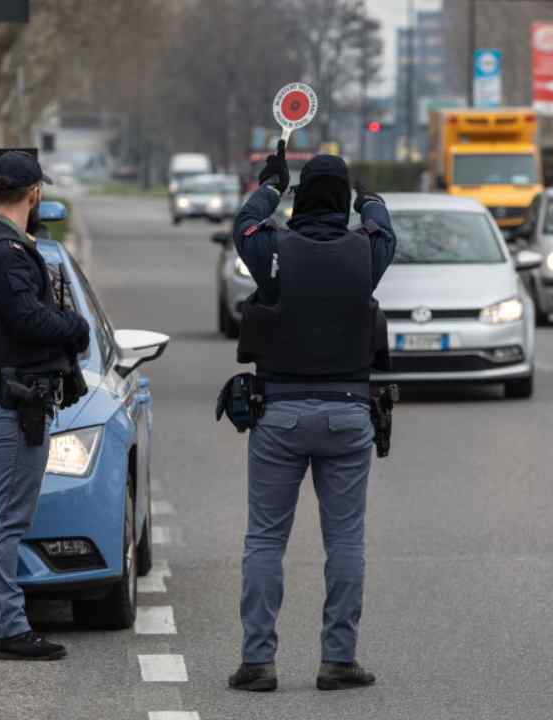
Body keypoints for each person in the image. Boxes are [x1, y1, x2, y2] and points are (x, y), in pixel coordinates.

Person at [227, 140, 396, 692]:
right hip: (349, 415)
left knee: (265, 541)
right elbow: (384, 229)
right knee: (345, 541)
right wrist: (369, 199)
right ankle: (337, 660)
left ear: (300, 203)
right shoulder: (364, 253)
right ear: (344, 201)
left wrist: (270, 186)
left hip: (278, 414)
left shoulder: (274, 249)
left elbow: (245, 226)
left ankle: (258, 663)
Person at [0, 150, 90, 661]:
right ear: (34, 193)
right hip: (15, 403)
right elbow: (27, 319)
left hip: (2, 396)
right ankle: (8, 629)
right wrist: (75, 328)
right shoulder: (7, 252)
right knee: (7, 521)